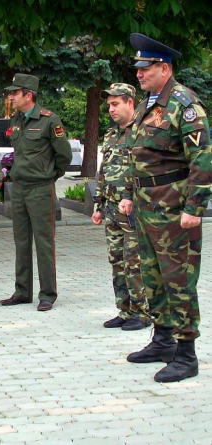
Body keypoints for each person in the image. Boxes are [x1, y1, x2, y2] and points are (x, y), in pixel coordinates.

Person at [119, 33, 212, 382]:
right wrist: (129, 193)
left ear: (164, 68)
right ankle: (162, 341)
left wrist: (194, 208)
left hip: (174, 210)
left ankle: (186, 355)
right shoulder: (149, 103)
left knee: (179, 280)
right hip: (146, 208)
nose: (139, 74)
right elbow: (139, 155)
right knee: (152, 276)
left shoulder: (185, 105)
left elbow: (202, 160)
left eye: (146, 68)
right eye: (138, 68)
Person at [0, 73, 72, 311]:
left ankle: (47, 294)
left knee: (44, 242)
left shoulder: (50, 120)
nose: (11, 97)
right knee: (21, 241)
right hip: (19, 188)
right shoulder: (16, 120)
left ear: (28, 95)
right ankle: (22, 291)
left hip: (40, 189)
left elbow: (64, 155)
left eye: (15, 93)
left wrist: (49, 176)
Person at [92, 83, 150, 331]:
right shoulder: (111, 134)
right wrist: (98, 204)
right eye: (109, 105)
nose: (111, 110)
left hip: (132, 208)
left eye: (115, 104)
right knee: (116, 261)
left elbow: (143, 170)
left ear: (130, 102)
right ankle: (125, 310)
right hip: (111, 208)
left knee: (133, 262)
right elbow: (103, 170)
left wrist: (131, 197)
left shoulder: (142, 131)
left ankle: (142, 313)